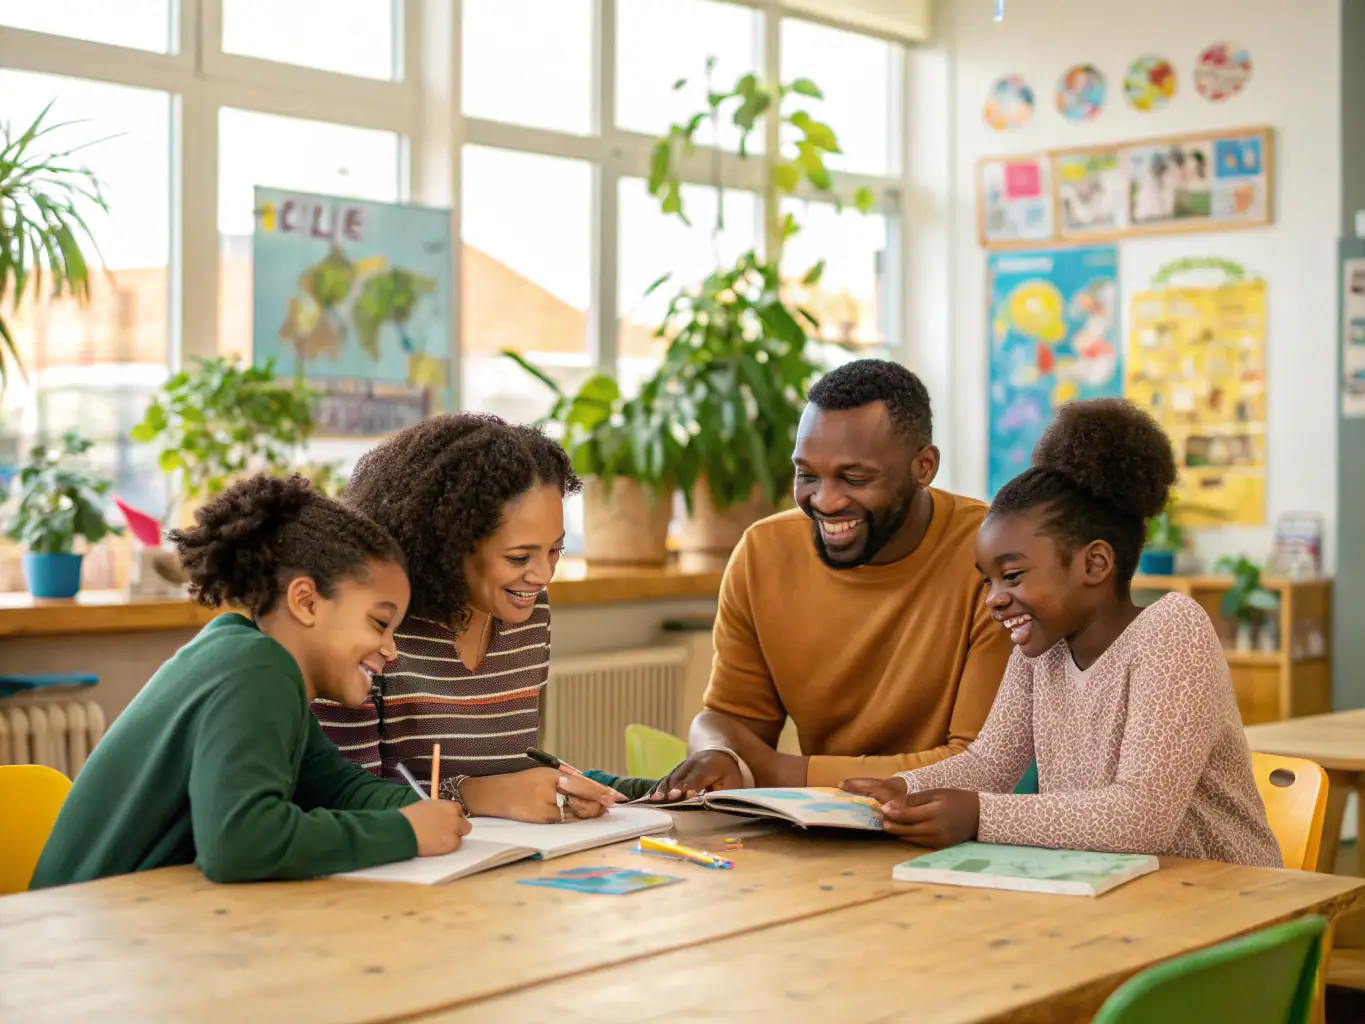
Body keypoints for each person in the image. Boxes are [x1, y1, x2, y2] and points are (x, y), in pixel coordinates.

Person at [843, 399, 1281, 867]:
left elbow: (1142, 817)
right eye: (987, 580)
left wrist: (979, 816)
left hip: (1227, 903)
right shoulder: (1041, 649)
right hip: (1112, 894)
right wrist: (903, 789)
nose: (993, 598)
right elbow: (989, 765)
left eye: (1012, 576)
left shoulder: (1172, 632)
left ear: (1094, 564)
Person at [30, 475, 470, 889]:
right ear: (306, 601)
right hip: (79, 940)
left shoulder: (251, 661)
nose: (392, 651)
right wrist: (406, 831)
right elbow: (240, 843)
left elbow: (337, 787)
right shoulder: (257, 671)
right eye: (379, 622)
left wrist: (420, 811)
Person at [653, 359, 1014, 799]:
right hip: (825, 826)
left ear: (924, 467)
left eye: (854, 478)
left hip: (958, 831)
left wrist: (777, 771)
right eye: (806, 475)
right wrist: (721, 753)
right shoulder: (763, 553)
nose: (824, 501)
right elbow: (730, 722)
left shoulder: (994, 556)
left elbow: (978, 765)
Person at [313, 414, 629, 823]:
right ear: (450, 543)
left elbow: (513, 770)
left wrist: (614, 790)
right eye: (519, 557)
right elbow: (338, 793)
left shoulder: (530, 617)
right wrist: (475, 795)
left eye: (555, 550)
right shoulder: (372, 628)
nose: (542, 575)